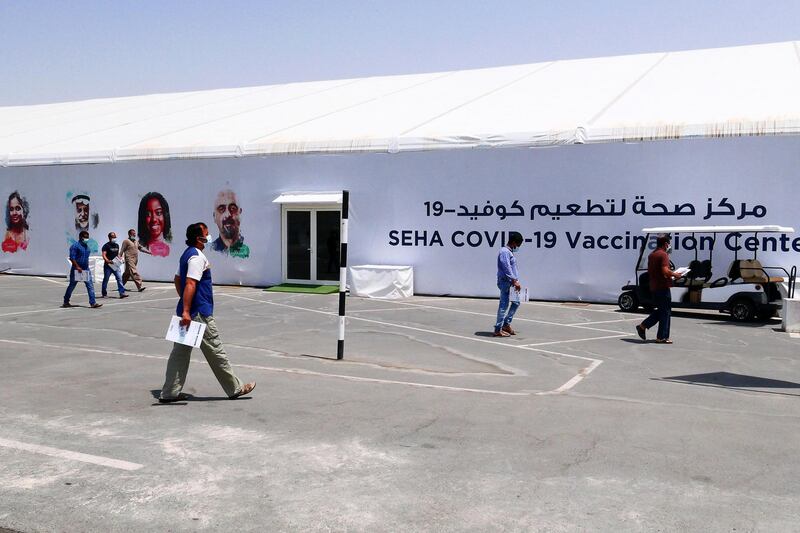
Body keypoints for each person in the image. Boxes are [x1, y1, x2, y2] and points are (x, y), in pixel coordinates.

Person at [159, 222, 256, 403]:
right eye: (206, 233)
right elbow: (190, 283)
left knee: (179, 355)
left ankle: (170, 392)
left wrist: (185, 305)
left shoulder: (186, 255)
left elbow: (177, 279)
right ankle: (234, 388)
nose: (209, 235)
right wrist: (189, 309)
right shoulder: (197, 257)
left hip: (188, 313)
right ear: (199, 238)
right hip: (198, 314)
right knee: (216, 350)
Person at [636, 235, 683, 344]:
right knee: (665, 311)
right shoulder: (663, 254)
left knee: (663, 311)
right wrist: (675, 274)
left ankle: (643, 327)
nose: (669, 246)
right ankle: (661, 336)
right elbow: (665, 271)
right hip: (663, 287)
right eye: (669, 244)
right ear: (666, 244)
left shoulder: (652, 255)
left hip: (654, 287)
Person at [62, 230, 103, 309]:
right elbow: (72, 258)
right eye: (85, 237)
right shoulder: (75, 246)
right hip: (76, 270)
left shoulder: (87, 247)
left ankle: (93, 303)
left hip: (85, 269)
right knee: (72, 286)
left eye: (88, 237)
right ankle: (66, 301)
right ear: (81, 237)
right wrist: (77, 266)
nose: (87, 239)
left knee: (90, 285)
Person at [494, 231, 524, 337]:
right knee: (504, 305)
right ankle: (498, 329)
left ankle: (506, 324)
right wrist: (514, 280)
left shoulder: (509, 252)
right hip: (506, 282)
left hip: (510, 282)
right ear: (514, 242)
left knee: (516, 302)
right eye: (518, 244)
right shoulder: (504, 252)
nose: (518, 247)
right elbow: (506, 267)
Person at [210, 189, 249, 258]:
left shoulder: (248, 247)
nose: (228, 214)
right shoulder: (211, 251)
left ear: (240, 214)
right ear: (214, 217)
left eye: (233, 208)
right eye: (221, 209)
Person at [138, 192, 171, 257]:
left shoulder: (173, 247)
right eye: (148, 215)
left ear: (165, 216)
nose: (154, 219)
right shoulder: (137, 246)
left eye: (158, 213)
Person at [100, 232, 128, 299]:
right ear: (109, 238)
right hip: (108, 266)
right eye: (113, 237)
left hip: (116, 265)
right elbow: (104, 255)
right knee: (106, 279)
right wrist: (108, 261)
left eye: (115, 237)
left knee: (119, 278)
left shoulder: (117, 245)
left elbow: (117, 254)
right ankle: (104, 293)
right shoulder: (106, 246)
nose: (114, 238)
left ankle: (122, 293)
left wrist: (121, 259)